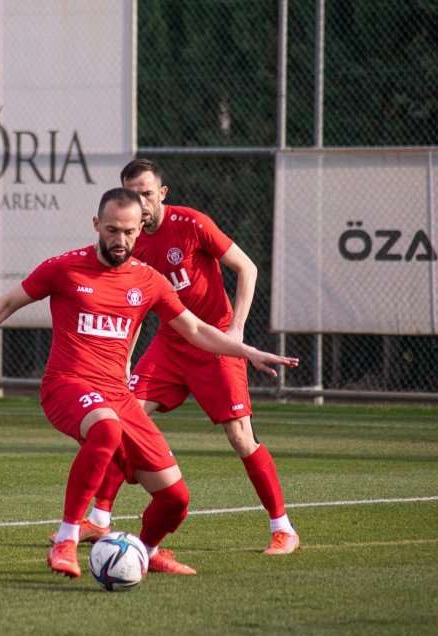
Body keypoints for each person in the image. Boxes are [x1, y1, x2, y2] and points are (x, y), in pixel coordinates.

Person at [0, 188, 298, 578]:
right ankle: (66, 539)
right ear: (96, 225)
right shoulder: (65, 268)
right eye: (111, 230)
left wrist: (246, 351)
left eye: (128, 231)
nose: (119, 239)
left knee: (175, 499)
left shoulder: (149, 281)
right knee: (106, 428)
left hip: (117, 396)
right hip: (67, 385)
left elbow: (194, 328)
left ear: (140, 229)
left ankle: (143, 551)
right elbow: (7, 303)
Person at [75, 159, 300, 556]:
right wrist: (125, 359)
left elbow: (246, 267)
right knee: (123, 418)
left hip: (215, 343)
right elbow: (138, 306)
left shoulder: (193, 224)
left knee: (240, 436)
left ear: (162, 193)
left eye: (146, 193)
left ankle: (283, 528)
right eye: (133, 194)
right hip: (170, 343)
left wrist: (237, 330)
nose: (140, 203)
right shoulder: (131, 240)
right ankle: (100, 518)